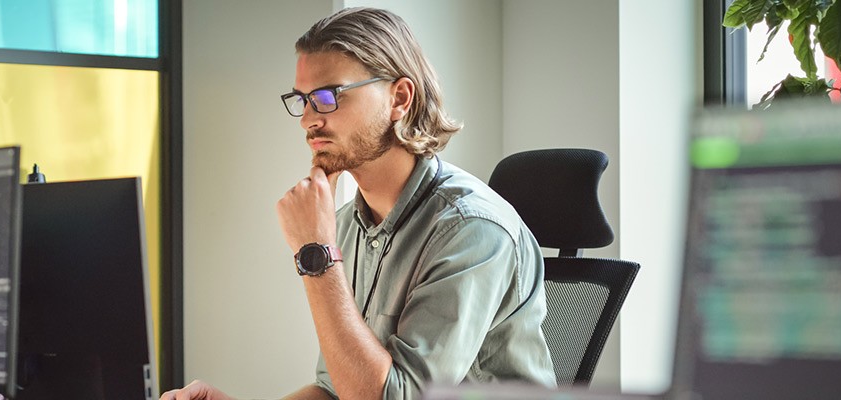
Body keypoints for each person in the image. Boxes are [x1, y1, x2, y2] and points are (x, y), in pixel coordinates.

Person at [163, 7, 555, 400]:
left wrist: (315, 255)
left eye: (328, 96)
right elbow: (337, 389)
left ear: (399, 98)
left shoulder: (473, 231)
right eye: (303, 100)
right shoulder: (349, 225)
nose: (308, 120)